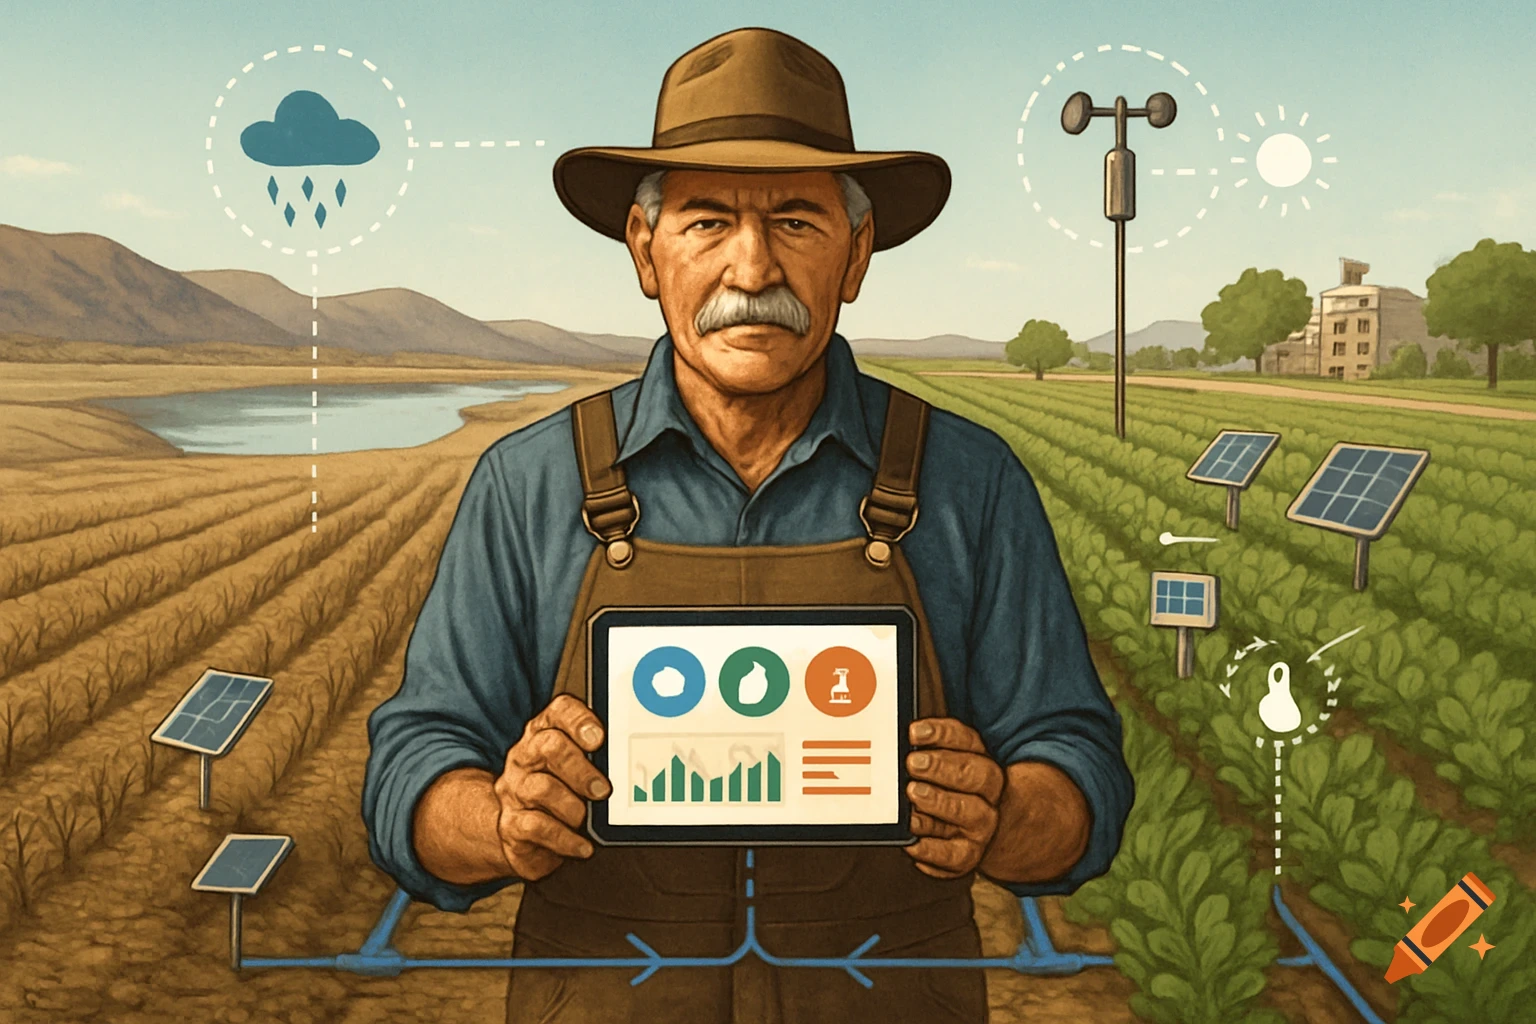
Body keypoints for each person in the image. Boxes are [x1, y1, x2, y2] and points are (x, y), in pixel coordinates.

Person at [362, 26, 1133, 1024]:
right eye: (707, 222)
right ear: (646, 250)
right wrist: (498, 818)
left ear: (857, 255)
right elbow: (413, 766)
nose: (752, 265)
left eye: (800, 223)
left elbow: (1079, 768)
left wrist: (1006, 814)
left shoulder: (971, 483)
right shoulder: (528, 484)